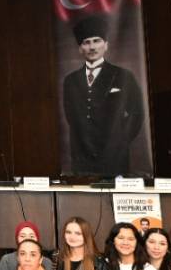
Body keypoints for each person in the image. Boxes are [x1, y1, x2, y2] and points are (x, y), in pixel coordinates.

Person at [60, 15, 146, 176]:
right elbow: (71, 117)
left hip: (114, 157)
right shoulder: (70, 81)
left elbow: (137, 112)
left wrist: (120, 140)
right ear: (80, 49)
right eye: (86, 42)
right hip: (82, 158)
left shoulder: (124, 76)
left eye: (96, 41)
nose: (92, 47)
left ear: (106, 45)